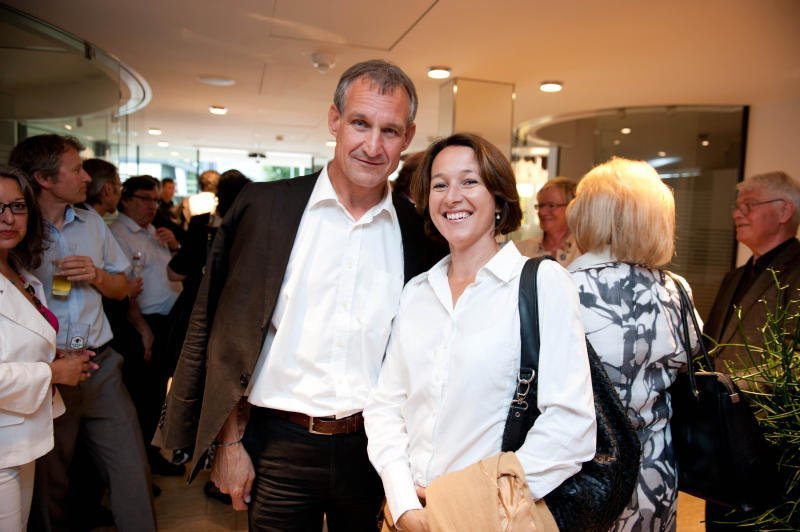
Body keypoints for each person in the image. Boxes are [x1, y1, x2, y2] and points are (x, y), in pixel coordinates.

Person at [156, 59, 445, 531]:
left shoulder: (418, 230)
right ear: (334, 120)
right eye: (360, 123)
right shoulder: (266, 207)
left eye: (390, 131)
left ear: (407, 137)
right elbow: (224, 331)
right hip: (278, 445)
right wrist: (228, 445)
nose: (373, 146)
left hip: (380, 450)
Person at [363, 133, 596, 531]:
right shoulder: (417, 292)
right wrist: (403, 502)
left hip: (494, 517)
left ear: (499, 198)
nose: (453, 197)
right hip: (407, 513)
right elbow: (386, 405)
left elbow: (571, 424)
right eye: (440, 185)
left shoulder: (542, 283)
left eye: (469, 181)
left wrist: (474, 503)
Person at [9, 134, 157, 531]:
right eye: (76, 169)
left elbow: (123, 287)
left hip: (100, 364)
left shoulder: (91, 222)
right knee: (48, 482)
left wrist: (96, 276)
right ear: (44, 179)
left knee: (131, 468)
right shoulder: (17, 232)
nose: (87, 177)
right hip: (49, 372)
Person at [566, 157, 696, 531]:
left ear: (588, 215)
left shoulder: (563, 287)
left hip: (582, 473)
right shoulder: (676, 291)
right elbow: (688, 358)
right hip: (655, 472)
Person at [702, 170, 800, 530]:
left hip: (771, 446)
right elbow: (709, 347)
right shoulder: (734, 276)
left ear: (785, 211)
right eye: (737, 206)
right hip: (724, 441)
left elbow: (792, 364)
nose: (737, 214)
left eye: (749, 205)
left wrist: (729, 390)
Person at [0, 165, 93, 532]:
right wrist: (53, 372)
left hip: (20, 439)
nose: (8, 218)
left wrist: (54, 358)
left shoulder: (17, 271)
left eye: (18, 206)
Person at [110, 175, 183, 477]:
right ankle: (142, 462)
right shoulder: (118, 234)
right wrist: (142, 328)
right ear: (126, 200)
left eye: (155, 199)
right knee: (143, 396)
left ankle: (153, 454)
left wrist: (175, 246)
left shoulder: (154, 231)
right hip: (143, 322)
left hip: (168, 320)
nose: (152, 205)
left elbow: (172, 273)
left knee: (158, 394)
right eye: (145, 199)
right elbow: (125, 287)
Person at [516, 177, 580, 266]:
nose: (542, 212)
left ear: (572, 207)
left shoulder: (584, 250)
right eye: (540, 206)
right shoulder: (521, 250)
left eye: (551, 205)